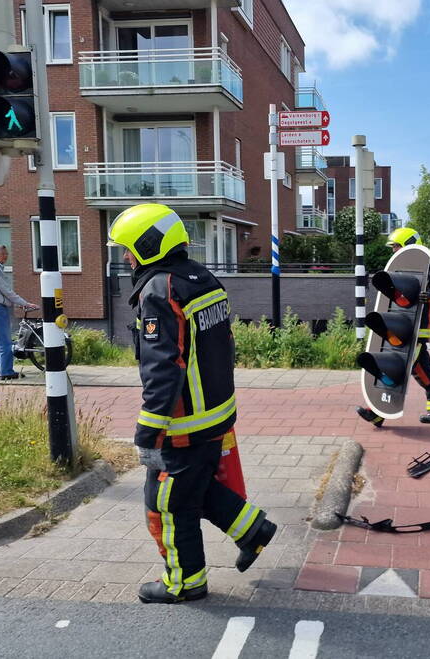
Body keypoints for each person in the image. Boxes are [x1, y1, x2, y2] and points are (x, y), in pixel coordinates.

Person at [107, 203, 276, 604]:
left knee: (165, 504)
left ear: (148, 245)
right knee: (193, 489)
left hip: (182, 425)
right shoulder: (203, 278)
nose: (126, 257)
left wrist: (148, 433)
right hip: (215, 415)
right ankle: (252, 530)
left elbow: (163, 368)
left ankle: (184, 583)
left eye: (129, 248)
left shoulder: (160, 290)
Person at [356, 227, 430, 427]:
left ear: (408, 244)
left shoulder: (426, 266)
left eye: (396, 246)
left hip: (416, 330)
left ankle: (377, 412)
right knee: (420, 371)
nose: (393, 250)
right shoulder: (397, 265)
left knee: (399, 368)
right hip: (400, 329)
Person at [0, 245, 38, 381]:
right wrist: (24, 303)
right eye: (3, 254)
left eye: (6, 254)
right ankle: (6, 372)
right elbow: (6, 290)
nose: (6, 256)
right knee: (5, 341)